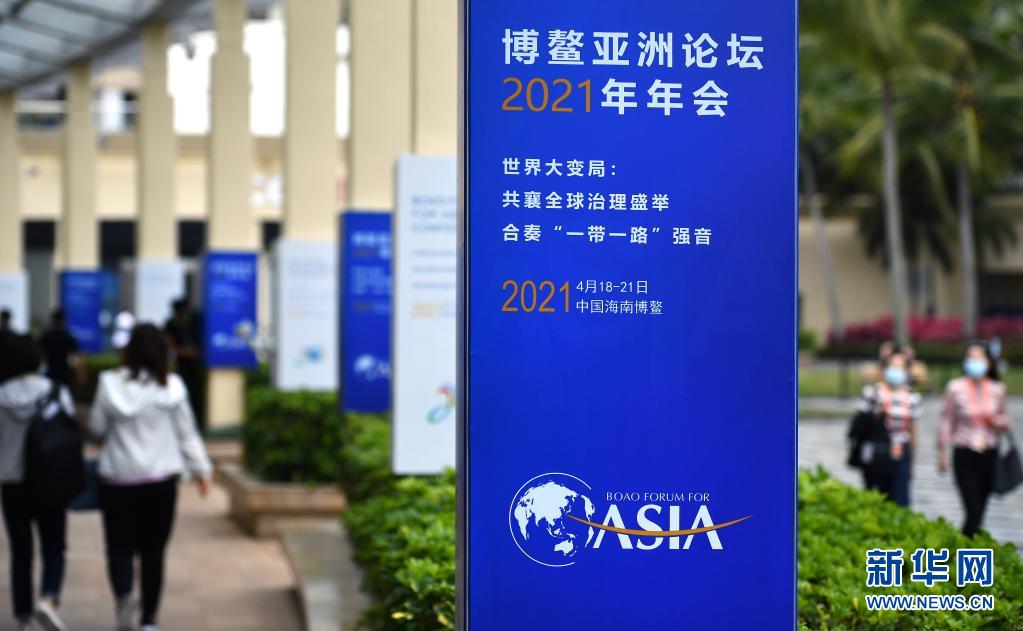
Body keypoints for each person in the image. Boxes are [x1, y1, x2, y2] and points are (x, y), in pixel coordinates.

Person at [89, 324, 213, 631]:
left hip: (117, 478)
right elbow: (187, 434)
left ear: (128, 350)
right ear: (162, 352)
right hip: (160, 480)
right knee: (153, 551)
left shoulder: (108, 383)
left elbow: (96, 428)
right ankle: (149, 621)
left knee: (118, 546)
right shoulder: (172, 387)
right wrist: (202, 470)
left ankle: (124, 595)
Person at [0, 335, 76, 631]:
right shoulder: (56, 391)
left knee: (20, 550)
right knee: (54, 544)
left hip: (11, 481)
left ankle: (22, 616)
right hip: (50, 479)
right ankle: (48, 597)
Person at [938, 342, 1014, 537]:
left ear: (989, 362)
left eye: (980, 358)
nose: (976, 362)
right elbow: (947, 420)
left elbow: (1006, 419)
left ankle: (968, 548)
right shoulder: (955, 388)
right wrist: (942, 451)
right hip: (965, 452)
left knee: (980, 511)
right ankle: (964, 547)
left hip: (989, 452)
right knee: (972, 509)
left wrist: (999, 422)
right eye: (971, 358)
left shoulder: (997, 389)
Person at [851, 347, 921, 507]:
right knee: (875, 498)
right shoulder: (872, 392)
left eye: (900, 367)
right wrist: (877, 416)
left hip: (900, 450)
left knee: (900, 499)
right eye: (892, 366)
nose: (896, 371)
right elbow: (858, 424)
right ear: (885, 369)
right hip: (876, 451)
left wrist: (912, 460)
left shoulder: (912, 396)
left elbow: (912, 429)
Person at [164, 299, 204, 433]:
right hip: (184, 363)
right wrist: (185, 352)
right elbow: (170, 344)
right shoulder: (171, 323)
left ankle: (195, 422)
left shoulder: (194, 321)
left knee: (195, 393)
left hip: (194, 364)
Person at [38, 310, 83, 388]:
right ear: (63, 321)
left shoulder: (45, 336)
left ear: (53, 320)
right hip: (64, 373)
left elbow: (39, 356)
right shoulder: (68, 337)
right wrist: (80, 374)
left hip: (49, 372)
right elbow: (76, 357)